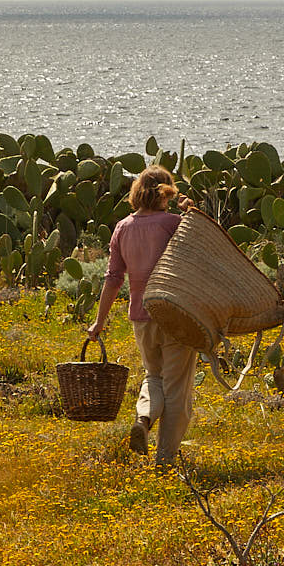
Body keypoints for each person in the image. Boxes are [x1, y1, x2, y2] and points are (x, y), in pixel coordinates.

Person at [87, 166, 196, 468]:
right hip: (175, 316)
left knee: (154, 377)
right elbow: (204, 246)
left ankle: (144, 418)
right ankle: (165, 461)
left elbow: (112, 278)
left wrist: (99, 321)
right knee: (177, 392)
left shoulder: (122, 227)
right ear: (167, 193)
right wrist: (191, 212)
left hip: (141, 317)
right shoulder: (174, 224)